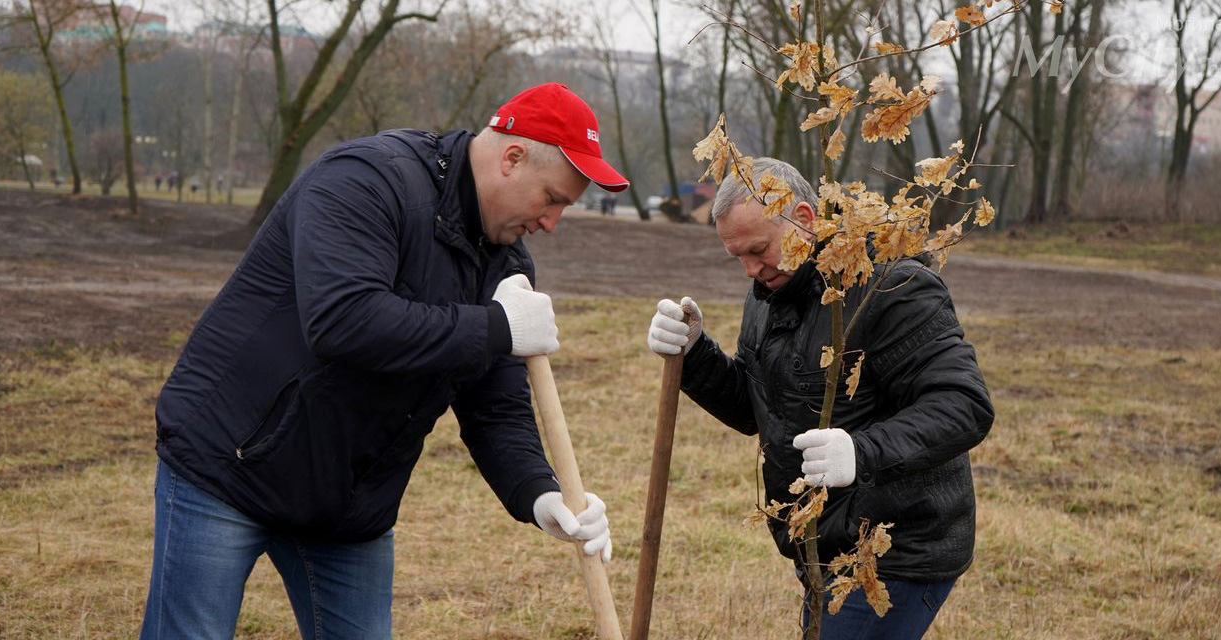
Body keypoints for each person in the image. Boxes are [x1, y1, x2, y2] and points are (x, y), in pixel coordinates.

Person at [140, 83, 630, 640]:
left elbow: (496, 409)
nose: (552, 224)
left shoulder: (506, 263)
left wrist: (541, 495)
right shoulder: (365, 181)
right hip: (229, 464)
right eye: (553, 199)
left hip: (349, 503)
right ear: (512, 158)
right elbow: (343, 321)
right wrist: (496, 327)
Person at [645, 157, 993, 639]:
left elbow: (964, 405)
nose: (750, 270)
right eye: (738, 257)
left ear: (803, 221)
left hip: (894, 551)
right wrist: (694, 356)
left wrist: (861, 451)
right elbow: (758, 410)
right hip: (824, 543)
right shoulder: (770, 290)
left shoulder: (891, 288)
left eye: (758, 250)